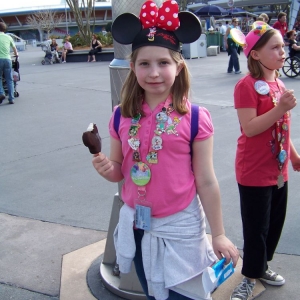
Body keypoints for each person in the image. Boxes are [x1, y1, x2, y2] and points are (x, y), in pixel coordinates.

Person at [91, 1, 239, 299]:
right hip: (136, 224)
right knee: (152, 292)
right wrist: (107, 168)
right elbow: (120, 171)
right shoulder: (121, 115)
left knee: (186, 295)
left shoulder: (195, 117)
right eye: (144, 63)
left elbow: (207, 181)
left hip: (180, 226)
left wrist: (219, 233)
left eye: (163, 63)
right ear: (132, 67)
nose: (154, 72)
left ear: (178, 65)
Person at [229, 22, 300, 300]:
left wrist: (293, 156)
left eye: (283, 46)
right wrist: (281, 107)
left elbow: (282, 125)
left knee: (274, 224)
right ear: (256, 54)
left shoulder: (279, 83)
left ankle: (262, 266)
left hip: (278, 169)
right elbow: (250, 127)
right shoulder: (245, 86)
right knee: (256, 227)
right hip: (254, 170)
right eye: (275, 47)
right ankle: (249, 277)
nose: (283, 52)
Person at [0, 22, 18, 105]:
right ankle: (11, 98)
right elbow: (14, 49)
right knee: (9, 79)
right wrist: (16, 54)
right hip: (7, 59)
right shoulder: (8, 37)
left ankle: (1, 93)